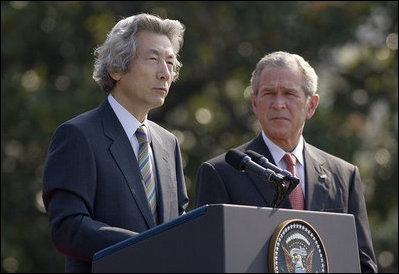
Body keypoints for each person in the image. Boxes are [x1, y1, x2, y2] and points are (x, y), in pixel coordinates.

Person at [195, 51, 377, 273]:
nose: (278, 104)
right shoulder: (222, 172)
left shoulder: (343, 176)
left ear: (311, 105)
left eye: (289, 93)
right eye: (269, 93)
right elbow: (208, 262)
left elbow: (363, 265)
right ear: (254, 102)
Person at [42, 13, 189, 273]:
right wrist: (144, 245)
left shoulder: (169, 143)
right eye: (153, 59)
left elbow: (179, 225)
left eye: (170, 62)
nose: (165, 73)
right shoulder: (78, 136)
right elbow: (68, 227)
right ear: (116, 69)